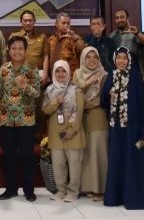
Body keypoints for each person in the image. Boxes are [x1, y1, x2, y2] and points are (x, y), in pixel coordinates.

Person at [100, 47, 144, 210]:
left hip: (133, 128)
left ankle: (136, 198)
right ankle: (116, 196)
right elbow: (103, 101)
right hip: (116, 128)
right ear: (115, 59)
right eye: (119, 58)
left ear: (129, 60)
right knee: (117, 160)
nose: (121, 61)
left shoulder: (136, 77)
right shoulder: (111, 75)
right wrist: (108, 97)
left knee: (134, 161)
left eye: (125, 58)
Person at [0, 36, 40, 202]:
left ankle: (29, 190)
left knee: (27, 157)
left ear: (25, 50)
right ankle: (11, 189)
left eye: (20, 48)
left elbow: (36, 94)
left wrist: (25, 86)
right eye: (13, 48)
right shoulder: (4, 69)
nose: (17, 51)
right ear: (8, 50)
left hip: (26, 121)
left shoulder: (32, 70)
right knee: (9, 157)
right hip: (7, 121)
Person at [42, 59, 85, 202]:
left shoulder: (76, 89)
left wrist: (72, 130)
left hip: (73, 131)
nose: (60, 74)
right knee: (58, 163)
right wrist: (56, 102)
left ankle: (73, 192)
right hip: (56, 131)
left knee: (74, 164)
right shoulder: (49, 90)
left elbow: (79, 112)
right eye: (57, 71)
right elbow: (45, 109)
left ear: (68, 72)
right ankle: (61, 190)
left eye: (63, 71)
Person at [73, 46, 108, 201]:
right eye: (88, 57)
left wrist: (87, 104)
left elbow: (103, 99)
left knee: (98, 152)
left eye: (95, 57)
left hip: (98, 117)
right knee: (86, 153)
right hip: (81, 118)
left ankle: (101, 188)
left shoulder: (105, 75)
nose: (92, 60)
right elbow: (74, 93)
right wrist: (88, 82)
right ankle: (88, 187)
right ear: (83, 59)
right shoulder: (77, 74)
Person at [8, 10, 50, 86]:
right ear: (21, 22)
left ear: (34, 21)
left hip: (37, 75)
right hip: (18, 74)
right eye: (25, 20)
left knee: (36, 96)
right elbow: (9, 56)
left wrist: (45, 74)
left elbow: (45, 56)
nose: (28, 23)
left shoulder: (42, 37)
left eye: (30, 20)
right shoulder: (14, 36)